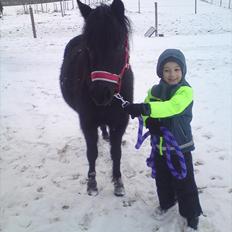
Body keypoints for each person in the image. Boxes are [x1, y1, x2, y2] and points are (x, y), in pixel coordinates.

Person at [124, 49, 202, 231]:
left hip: (180, 147)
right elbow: (147, 108)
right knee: (162, 179)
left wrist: (146, 109)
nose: (172, 74)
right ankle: (167, 202)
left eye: (176, 69)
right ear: (160, 72)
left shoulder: (185, 91)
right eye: (167, 70)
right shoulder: (154, 90)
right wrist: (146, 118)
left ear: (183, 71)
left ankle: (191, 214)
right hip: (159, 147)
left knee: (185, 183)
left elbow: (172, 107)